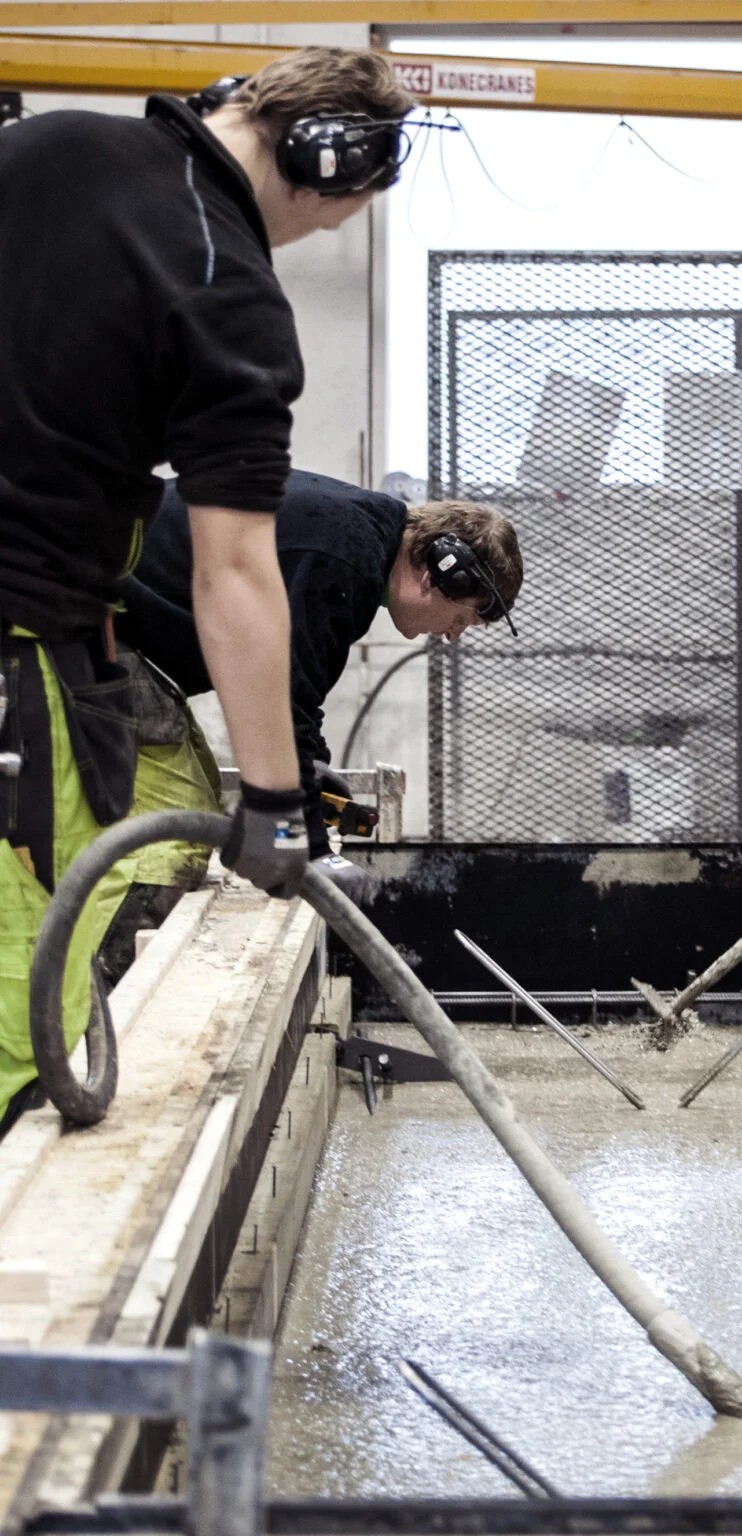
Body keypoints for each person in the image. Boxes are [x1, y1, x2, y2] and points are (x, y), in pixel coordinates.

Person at [0, 48, 417, 1133]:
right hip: (23, 641)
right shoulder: (228, 288)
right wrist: (274, 809)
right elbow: (236, 574)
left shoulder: (44, 145)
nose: (312, 235)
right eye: (335, 217)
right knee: (20, 990)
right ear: (328, 160)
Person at [114, 469, 523, 914]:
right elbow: (281, 706)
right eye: (463, 618)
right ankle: (118, 953)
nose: (453, 635)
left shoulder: (357, 538)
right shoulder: (345, 560)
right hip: (98, 622)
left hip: (124, 628)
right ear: (441, 575)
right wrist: (311, 851)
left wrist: (311, 766)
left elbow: (291, 687)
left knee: (202, 796)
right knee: (175, 837)